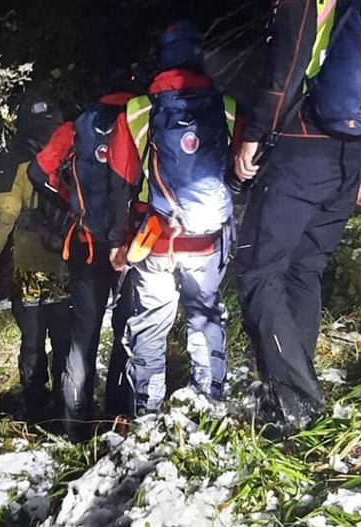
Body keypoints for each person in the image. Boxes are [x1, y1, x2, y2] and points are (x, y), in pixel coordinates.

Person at [232, 0, 361, 427]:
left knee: (258, 271)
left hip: (301, 149)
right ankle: (295, 393)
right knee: (304, 270)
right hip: (351, 155)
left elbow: (287, 69)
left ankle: (297, 401)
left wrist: (255, 136)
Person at [107, 21, 241, 417]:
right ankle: (209, 403)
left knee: (150, 325)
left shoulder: (138, 110)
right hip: (208, 240)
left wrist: (117, 241)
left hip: (156, 241)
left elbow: (120, 182)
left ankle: (147, 413)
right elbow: (242, 172)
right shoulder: (228, 107)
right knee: (205, 316)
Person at [28, 66, 148, 440]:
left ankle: (74, 427)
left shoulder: (78, 127)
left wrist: (68, 202)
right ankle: (118, 419)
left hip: (87, 245)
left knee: (83, 336)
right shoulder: (145, 121)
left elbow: (37, 172)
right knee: (128, 332)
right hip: (133, 247)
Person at [0, 90, 72, 423]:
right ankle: (67, 403)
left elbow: (4, 215)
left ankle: (34, 408)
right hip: (68, 261)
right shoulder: (70, 147)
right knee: (64, 336)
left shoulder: (18, 159)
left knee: (32, 339)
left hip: (30, 264)